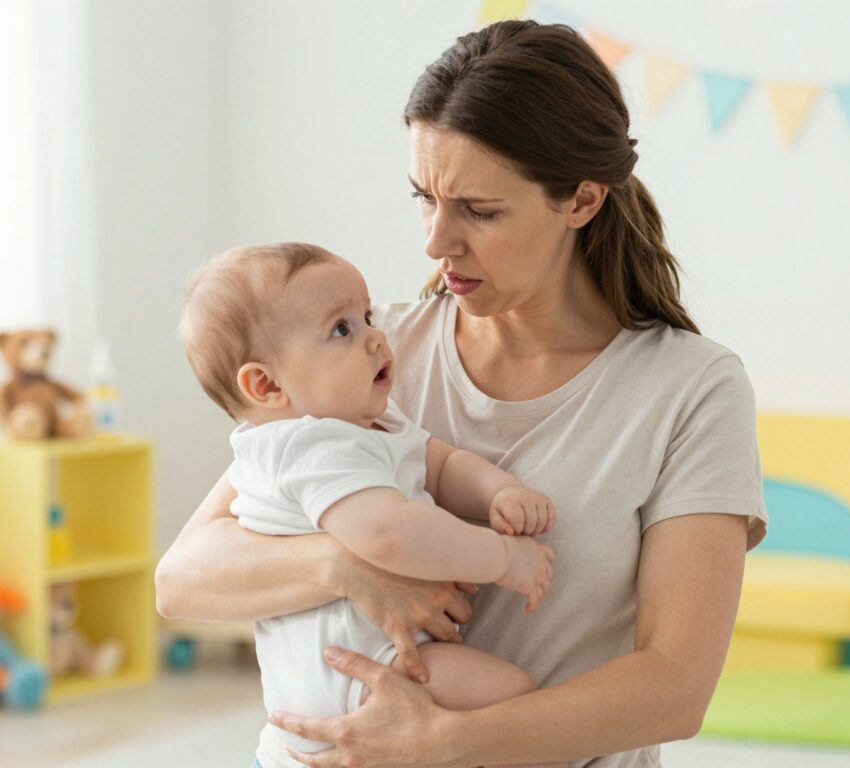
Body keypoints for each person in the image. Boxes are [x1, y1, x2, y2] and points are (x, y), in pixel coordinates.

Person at [156, 19, 768, 768]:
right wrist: (344, 564)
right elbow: (181, 579)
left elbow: (675, 688)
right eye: (425, 197)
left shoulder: (691, 390)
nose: (435, 241)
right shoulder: (369, 354)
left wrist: (447, 743)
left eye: (479, 210)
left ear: (581, 200)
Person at [178, 243, 560, 768]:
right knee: (510, 702)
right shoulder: (310, 445)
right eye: (342, 329)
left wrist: (499, 491)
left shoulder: (367, 421)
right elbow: (389, 535)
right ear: (266, 384)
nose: (375, 337)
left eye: (367, 317)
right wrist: (504, 557)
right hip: (349, 677)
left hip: (360, 665)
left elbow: (442, 465)